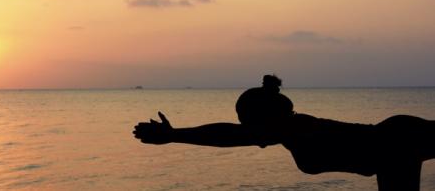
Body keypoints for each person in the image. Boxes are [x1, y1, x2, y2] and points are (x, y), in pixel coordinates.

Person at [132, 75, 435, 191]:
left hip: (397, 142)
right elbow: (238, 134)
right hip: (392, 148)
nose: (250, 134)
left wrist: (174, 136)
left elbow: (229, 136)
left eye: (247, 124)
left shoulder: (294, 126)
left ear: (264, 119)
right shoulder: (292, 130)